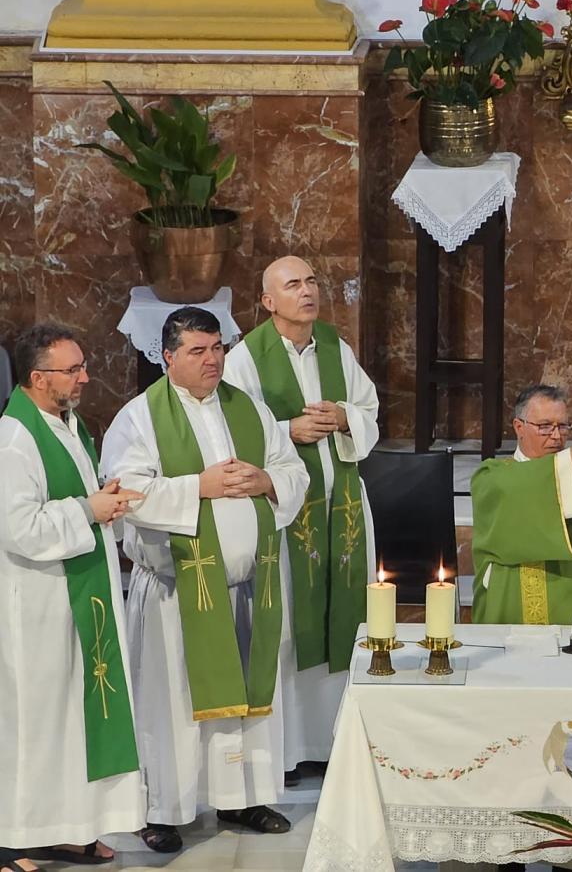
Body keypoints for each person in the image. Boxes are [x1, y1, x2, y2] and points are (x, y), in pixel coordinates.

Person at [101, 307, 309, 852]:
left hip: (248, 587)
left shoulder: (250, 410)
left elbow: (294, 472)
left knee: (246, 696)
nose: (212, 359)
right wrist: (200, 485)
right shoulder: (140, 418)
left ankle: (244, 798)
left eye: (217, 347)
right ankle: (163, 811)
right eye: (197, 350)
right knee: (171, 706)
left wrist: (266, 478)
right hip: (178, 592)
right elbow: (126, 492)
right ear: (168, 357)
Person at [224, 256, 379, 784]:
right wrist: (288, 429)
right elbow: (234, 426)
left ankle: (338, 739)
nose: (307, 291)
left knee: (346, 616)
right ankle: (292, 746)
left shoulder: (337, 347)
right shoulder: (246, 357)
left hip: (346, 507)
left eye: (312, 281)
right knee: (293, 621)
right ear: (268, 301)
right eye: (293, 285)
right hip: (288, 516)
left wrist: (344, 418)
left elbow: (369, 410)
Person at [0, 325, 145, 871]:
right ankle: (7, 840)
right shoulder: (14, 440)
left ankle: (58, 830)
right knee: (32, 727)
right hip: (35, 607)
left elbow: (76, 499)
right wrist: (89, 510)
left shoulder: (64, 423)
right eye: (73, 370)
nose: (85, 376)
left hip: (76, 600)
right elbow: (20, 529)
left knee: (69, 724)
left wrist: (102, 499)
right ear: (38, 379)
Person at [470, 385, 572, 625]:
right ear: (519, 427)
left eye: (563, 426)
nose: (557, 436)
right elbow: (515, 492)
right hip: (511, 605)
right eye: (545, 426)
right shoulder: (491, 476)